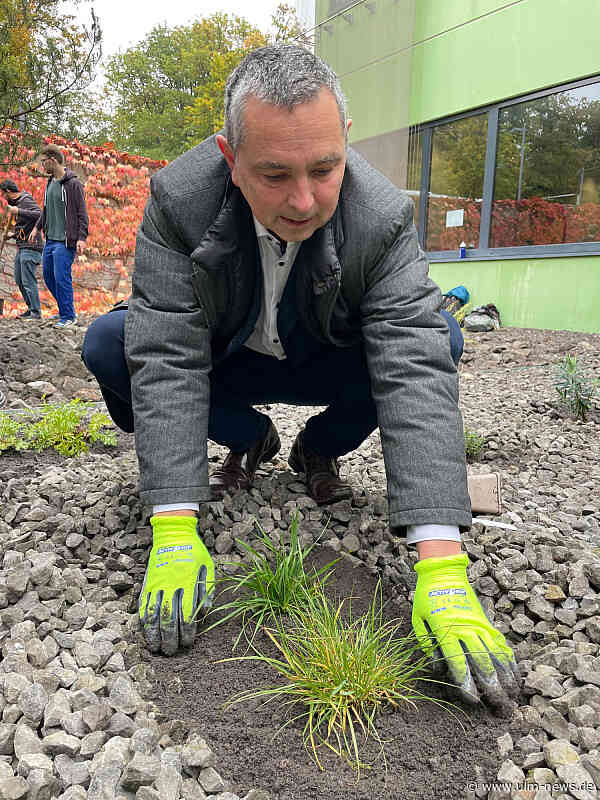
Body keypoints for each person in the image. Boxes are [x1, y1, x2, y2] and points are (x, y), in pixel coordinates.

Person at [82, 44, 519, 710]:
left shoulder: (381, 215)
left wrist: (445, 568)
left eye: (324, 167)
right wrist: (173, 525)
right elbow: (167, 349)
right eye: (275, 174)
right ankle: (248, 436)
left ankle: (321, 446)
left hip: (325, 355)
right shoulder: (179, 199)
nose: (305, 199)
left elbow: (412, 362)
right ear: (231, 161)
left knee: (443, 334)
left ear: (345, 141)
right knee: (113, 342)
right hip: (227, 357)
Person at [29, 144, 89, 328]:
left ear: (53, 160)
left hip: (65, 241)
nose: (42, 166)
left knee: (62, 277)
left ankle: (69, 316)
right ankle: (65, 309)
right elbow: (46, 209)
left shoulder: (73, 184)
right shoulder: (50, 182)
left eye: (43, 161)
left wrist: (81, 238)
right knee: (48, 276)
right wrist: (37, 227)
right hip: (51, 240)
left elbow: (82, 213)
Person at [0, 179, 43, 319]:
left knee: (28, 280)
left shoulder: (25, 199)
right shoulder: (18, 203)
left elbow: (40, 215)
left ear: (8, 192)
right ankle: (31, 309)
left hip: (31, 247)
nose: (3, 197)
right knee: (19, 279)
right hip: (22, 246)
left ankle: (36, 312)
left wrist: (18, 211)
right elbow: (26, 226)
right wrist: (13, 235)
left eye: (3, 194)